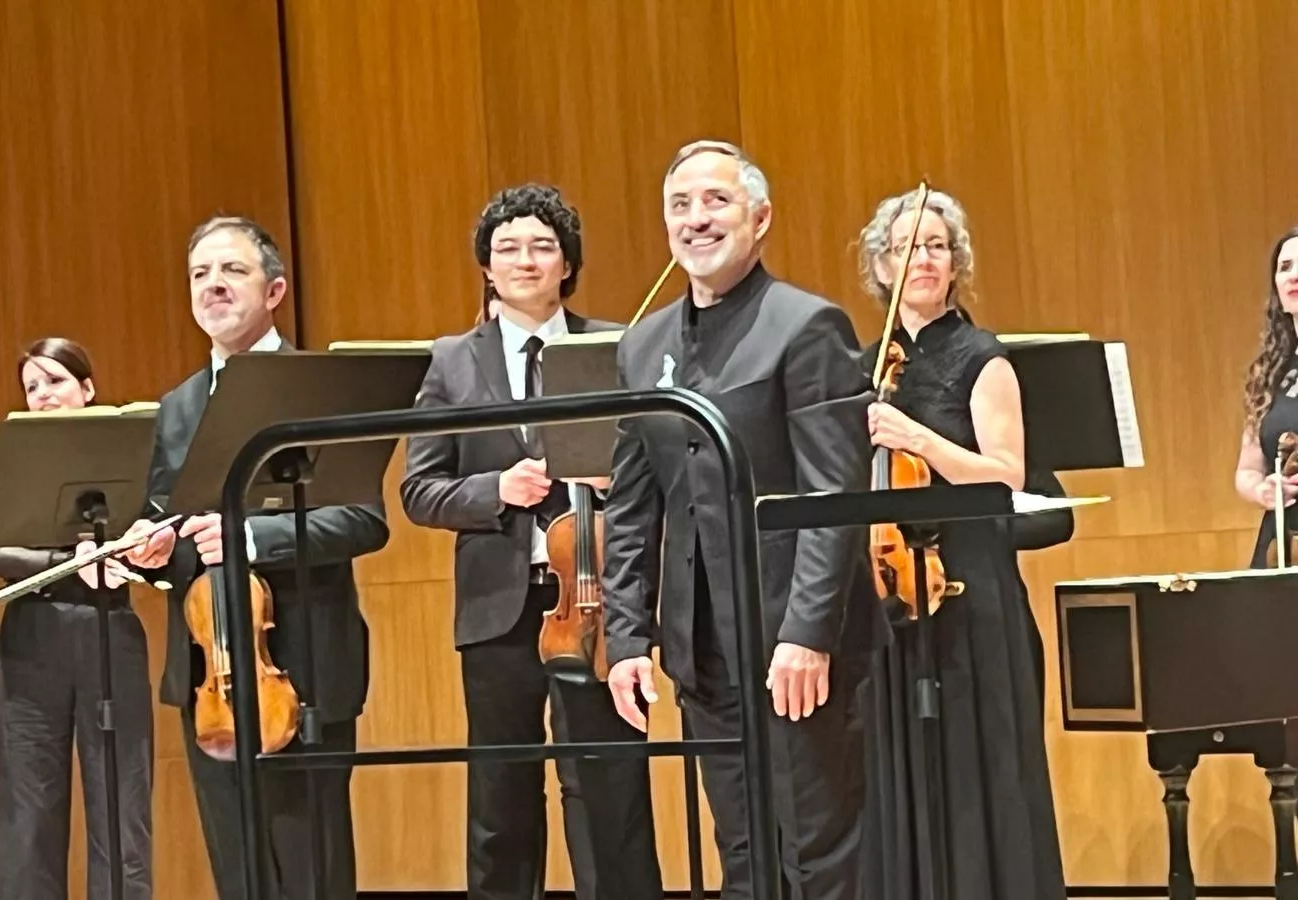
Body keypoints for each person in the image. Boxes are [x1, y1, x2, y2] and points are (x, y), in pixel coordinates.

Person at [599, 140, 881, 899]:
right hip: (702, 650)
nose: (697, 219)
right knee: (744, 856)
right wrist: (625, 635)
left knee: (820, 854)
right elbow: (632, 504)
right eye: (680, 205)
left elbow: (835, 494)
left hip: (792, 642)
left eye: (716, 201)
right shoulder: (641, 345)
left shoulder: (808, 325)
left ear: (759, 217)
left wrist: (807, 633)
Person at [400, 184, 664, 900]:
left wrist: (614, 479)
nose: (525, 258)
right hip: (498, 613)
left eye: (542, 245)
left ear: (567, 264)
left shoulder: (616, 344)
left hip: (601, 604)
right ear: (486, 267)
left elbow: (655, 471)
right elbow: (418, 491)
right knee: (501, 800)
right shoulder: (452, 360)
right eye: (507, 247)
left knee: (611, 794)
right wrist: (493, 491)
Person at [120, 216, 390, 900]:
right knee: (238, 871)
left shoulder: (318, 388)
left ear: (274, 291)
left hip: (305, 664)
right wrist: (151, 550)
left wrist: (248, 540)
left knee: (312, 867)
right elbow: (165, 521)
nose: (212, 285)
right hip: (210, 676)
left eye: (231, 271)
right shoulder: (175, 407)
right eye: (199, 274)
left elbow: (362, 518)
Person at [853, 187, 1064, 899]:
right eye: (906, 247)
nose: (922, 258)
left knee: (983, 777)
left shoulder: (983, 357)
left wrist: (917, 437)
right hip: (893, 599)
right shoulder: (865, 368)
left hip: (973, 597)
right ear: (881, 267)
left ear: (955, 264)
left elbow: (1005, 477)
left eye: (937, 246)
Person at [0, 337, 154, 899]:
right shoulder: (21, 457)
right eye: (32, 387)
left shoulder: (128, 454)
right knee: (28, 813)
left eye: (55, 381)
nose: (44, 396)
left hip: (109, 631)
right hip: (33, 636)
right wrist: (67, 561)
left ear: (87, 388)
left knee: (122, 807)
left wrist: (145, 544)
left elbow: (157, 528)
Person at [1234, 225, 1298, 567]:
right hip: (1282, 545)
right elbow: (1247, 470)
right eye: (1285, 267)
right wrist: (1263, 490)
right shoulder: (1270, 371)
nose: (1294, 276)